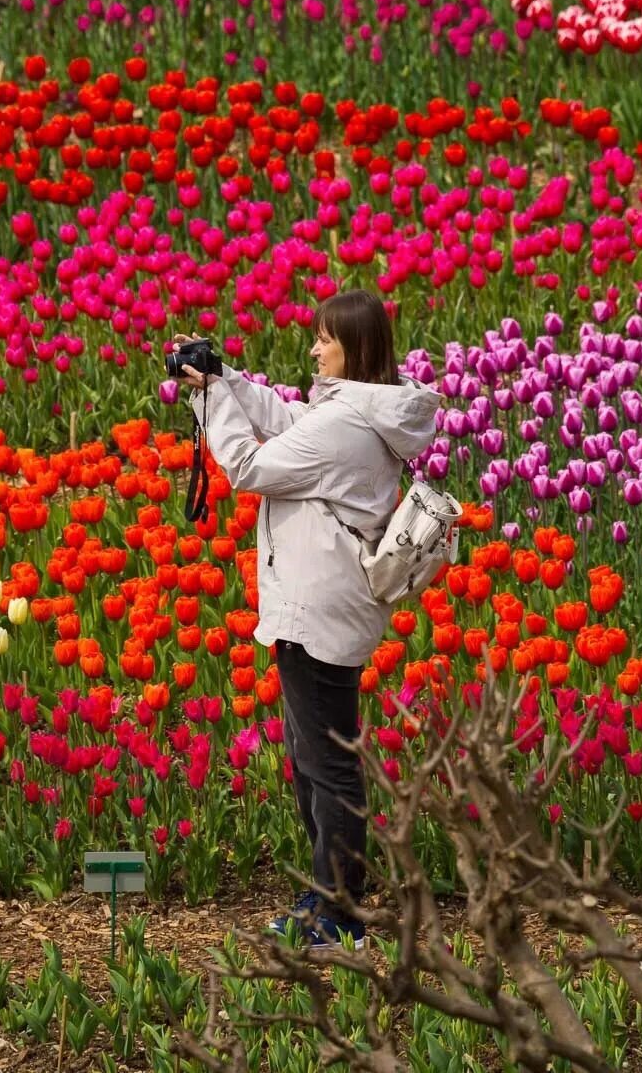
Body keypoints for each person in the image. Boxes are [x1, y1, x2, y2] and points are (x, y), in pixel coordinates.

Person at [173, 290, 439, 949]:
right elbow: (289, 415)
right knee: (312, 755)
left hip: (317, 608)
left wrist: (209, 402)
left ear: (355, 346)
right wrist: (226, 380)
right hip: (324, 603)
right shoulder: (354, 408)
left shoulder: (346, 426)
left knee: (327, 764)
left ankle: (339, 911)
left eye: (324, 339)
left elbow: (251, 466)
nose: (312, 349)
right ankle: (327, 893)